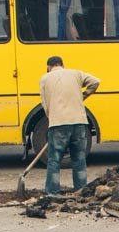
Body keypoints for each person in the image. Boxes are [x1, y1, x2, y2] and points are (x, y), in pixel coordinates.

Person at [38, 55, 99, 195]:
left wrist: (52, 119)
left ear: (48, 67)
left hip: (58, 123)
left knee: (54, 160)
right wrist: (84, 95)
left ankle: (53, 192)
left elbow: (45, 104)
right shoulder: (76, 74)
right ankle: (81, 191)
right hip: (80, 122)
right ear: (62, 64)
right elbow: (95, 82)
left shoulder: (45, 79)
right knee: (79, 159)